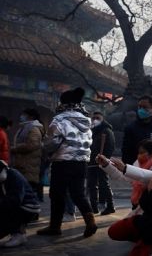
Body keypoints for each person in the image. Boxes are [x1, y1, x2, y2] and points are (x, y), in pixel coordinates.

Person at [37, 87, 97, 238]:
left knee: (57, 194)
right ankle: (90, 221)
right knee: (78, 194)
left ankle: (54, 227)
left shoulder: (60, 119)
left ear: (63, 102)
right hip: (81, 163)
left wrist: (44, 147)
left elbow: (53, 143)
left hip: (62, 162)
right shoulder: (86, 121)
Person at [102, 139, 152, 214]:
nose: (139, 155)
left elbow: (149, 176)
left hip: (151, 206)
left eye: (142, 153)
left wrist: (125, 168)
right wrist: (106, 165)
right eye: (138, 153)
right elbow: (123, 177)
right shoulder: (139, 163)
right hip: (137, 203)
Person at [0, 160, 40, 248]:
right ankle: (17, 232)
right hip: (18, 206)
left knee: (7, 211)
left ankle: (18, 235)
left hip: (29, 207)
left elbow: (16, 200)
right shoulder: (4, 177)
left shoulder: (13, 176)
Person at [11, 109, 44, 202]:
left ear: (31, 117)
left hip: (29, 167)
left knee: (28, 195)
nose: (22, 116)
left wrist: (15, 148)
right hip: (22, 165)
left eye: (24, 114)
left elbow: (32, 145)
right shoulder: (26, 127)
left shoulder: (34, 128)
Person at [87, 111, 116, 215]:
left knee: (104, 184)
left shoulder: (107, 131)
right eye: (93, 117)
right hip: (91, 162)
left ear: (102, 119)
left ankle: (110, 206)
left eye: (97, 118)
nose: (95, 120)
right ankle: (94, 207)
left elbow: (111, 146)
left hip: (101, 162)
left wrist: (105, 160)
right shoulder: (92, 131)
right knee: (91, 185)